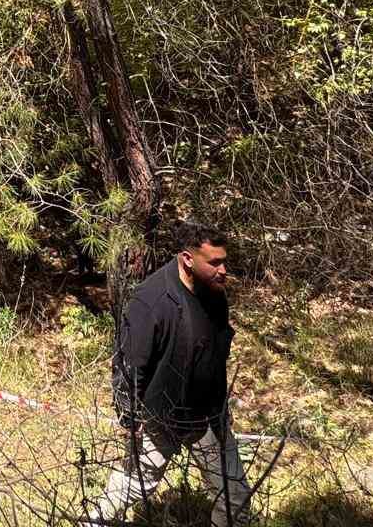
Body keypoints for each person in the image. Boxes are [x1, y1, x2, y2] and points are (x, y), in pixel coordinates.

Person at [89, 222, 251, 526]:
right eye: (214, 262)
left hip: (207, 418)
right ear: (188, 259)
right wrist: (130, 416)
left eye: (224, 261)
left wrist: (221, 408)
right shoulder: (152, 300)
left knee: (235, 500)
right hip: (160, 418)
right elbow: (129, 363)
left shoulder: (215, 294)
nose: (223, 269)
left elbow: (216, 354)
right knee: (131, 486)